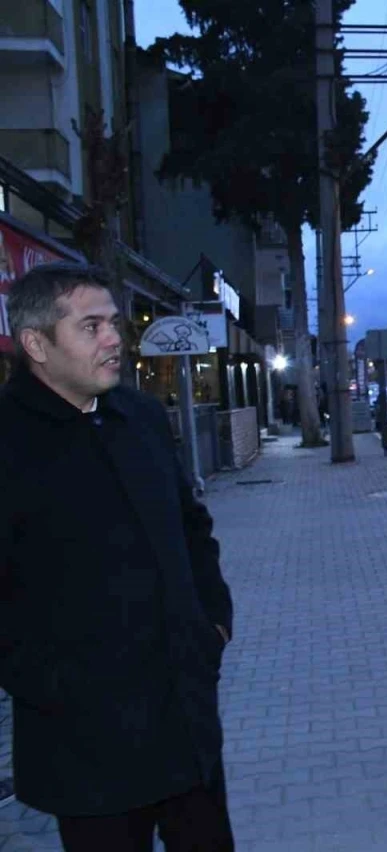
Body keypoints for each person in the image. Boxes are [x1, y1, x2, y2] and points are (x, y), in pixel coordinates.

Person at [0, 263, 235, 851]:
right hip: (87, 749)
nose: (114, 339)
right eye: (91, 326)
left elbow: (192, 527)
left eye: (113, 323)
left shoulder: (141, 416)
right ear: (36, 345)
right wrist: (55, 686)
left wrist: (214, 623)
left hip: (185, 725)